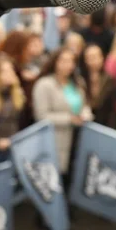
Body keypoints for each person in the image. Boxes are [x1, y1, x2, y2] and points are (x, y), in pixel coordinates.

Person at [32, 49, 92, 181]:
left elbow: (84, 105)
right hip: (55, 138)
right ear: (55, 62)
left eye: (71, 61)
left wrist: (86, 113)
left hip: (77, 137)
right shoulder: (44, 84)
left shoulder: (78, 83)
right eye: (64, 61)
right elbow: (41, 115)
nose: (68, 65)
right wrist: (69, 119)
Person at [80, 44, 116, 128]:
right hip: (84, 123)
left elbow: (112, 107)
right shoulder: (80, 79)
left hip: (104, 122)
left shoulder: (109, 79)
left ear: (102, 58)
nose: (94, 60)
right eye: (90, 57)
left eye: (96, 56)